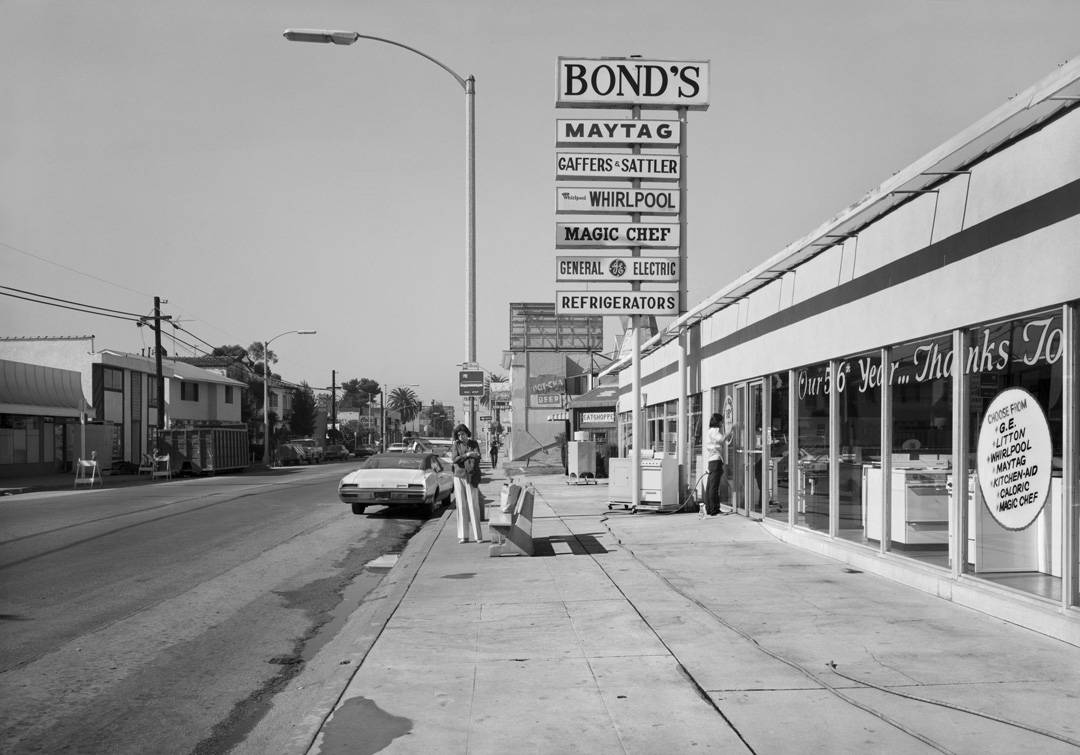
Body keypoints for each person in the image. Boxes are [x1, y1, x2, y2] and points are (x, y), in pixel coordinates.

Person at [451, 424, 483, 543]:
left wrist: (463, 457)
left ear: (467, 434)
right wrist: (468, 455)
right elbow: (454, 459)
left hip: (472, 476)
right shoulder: (456, 445)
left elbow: (478, 456)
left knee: (473, 505)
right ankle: (463, 536)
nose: (461, 437)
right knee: (461, 505)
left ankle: (478, 536)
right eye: (458, 435)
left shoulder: (474, 444)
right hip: (459, 476)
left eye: (462, 434)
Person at [704, 412, 735, 516]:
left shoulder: (710, 431)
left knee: (709, 487)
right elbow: (721, 440)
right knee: (714, 487)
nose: (722, 423)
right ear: (718, 422)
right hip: (715, 461)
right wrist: (731, 430)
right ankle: (714, 510)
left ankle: (709, 509)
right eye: (721, 421)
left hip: (711, 461)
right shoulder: (714, 431)